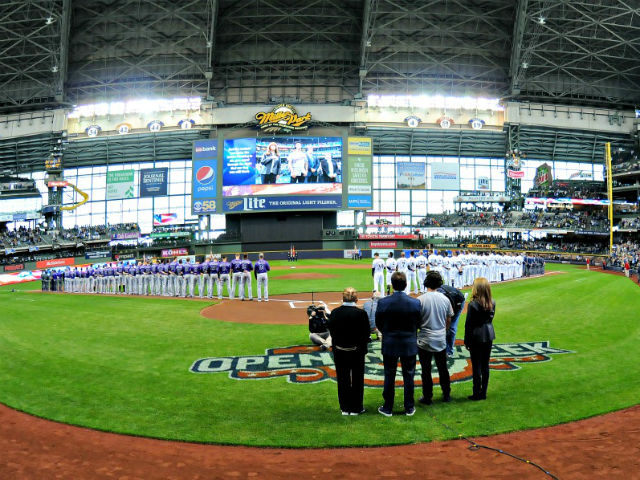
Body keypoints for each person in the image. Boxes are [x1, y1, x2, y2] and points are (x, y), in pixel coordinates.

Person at [375, 272, 421, 416]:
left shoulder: (383, 302)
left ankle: (388, 407)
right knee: (409, 376)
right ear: (406, 284)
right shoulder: (415, 302)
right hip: (409, 343)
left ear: (392, 285)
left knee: (389, 375)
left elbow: (379, 323)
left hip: (390, 343)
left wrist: (387, 333)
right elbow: (418, 323)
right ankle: (409, 407)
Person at [328, 287, 371, 416]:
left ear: (343, 298)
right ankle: (357, 408)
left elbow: (332, 332)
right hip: (357, 352)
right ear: (356, 299)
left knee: (342, 379)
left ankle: (345, 408)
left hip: (340, 352)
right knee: (357, 379)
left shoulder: (335, 312)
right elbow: (366, 334)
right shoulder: (361, 313)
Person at [417, 271, 453, 405]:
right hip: (440, 337)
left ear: (426, 283)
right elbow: (449, 319)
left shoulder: (420, 299)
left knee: (426, 370)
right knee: (443, 368)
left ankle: (427, 397)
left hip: (425, 338)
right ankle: (447, 394)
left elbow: (417, 320)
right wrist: (444, 330)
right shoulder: (445, 299)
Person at [464, 277, 496, 401]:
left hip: (476, 336)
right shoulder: (492, 302)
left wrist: (467, 340)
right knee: (485, 365)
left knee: (476, 365)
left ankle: (476, 392)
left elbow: (469, 324)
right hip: (489, 334)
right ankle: (483, 392)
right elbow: (490, 319)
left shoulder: (473, 304)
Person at [437, 283, 466, 357]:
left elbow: (450, 317)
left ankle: (449, 351)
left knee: (452, 328)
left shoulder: (453, 299)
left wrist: (447, 328)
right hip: (447, 302)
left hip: (458, 302)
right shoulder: (436, 297)